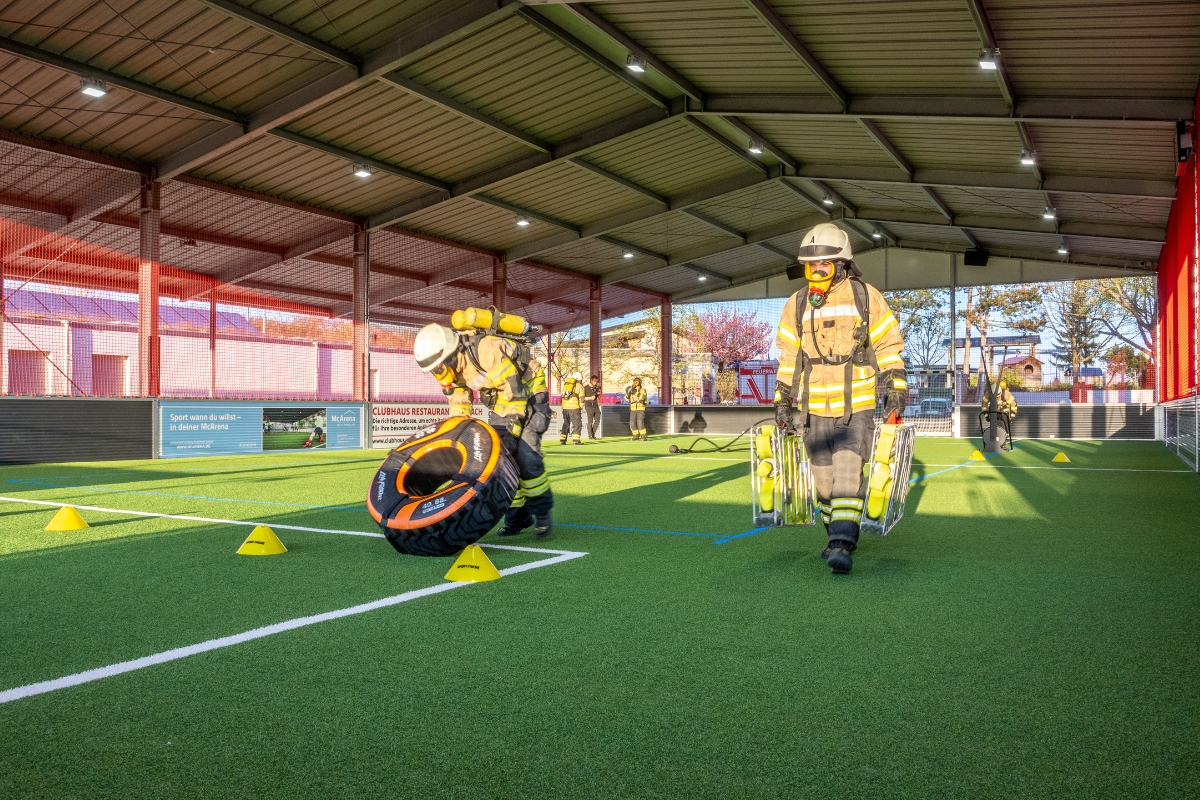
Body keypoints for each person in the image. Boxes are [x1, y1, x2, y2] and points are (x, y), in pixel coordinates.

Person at [772, 223, 906, 575]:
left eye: (824, 267)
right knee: (823, 480)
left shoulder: (866, 296)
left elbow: (888, 346)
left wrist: (896, 387)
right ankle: (835, 533)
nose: (816, 273)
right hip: (814, 408)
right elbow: (788, 358)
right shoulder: (796, 304)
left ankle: (842, 543)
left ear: (843, 264)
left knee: (848, 470)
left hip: (855, 405)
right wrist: (782, 400)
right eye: (810, 267)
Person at [413, 322, 553, 538]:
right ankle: (518, 518)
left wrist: (514, 430)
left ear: (449, 354)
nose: (438, 373)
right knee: (502, 461)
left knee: (526, 456)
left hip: (530, 395)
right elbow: (459, 402)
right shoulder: (453, 368)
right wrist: (457, 431)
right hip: (501, 403)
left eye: (438, 367)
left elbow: (514, 389)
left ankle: (542, 514)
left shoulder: (486, 349)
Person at [559, 372, 583, 445]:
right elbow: (582, 398)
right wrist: (580, 407)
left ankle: (562, 439)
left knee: (566, 423)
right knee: (577, 423)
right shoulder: (579, 386)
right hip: (574, 407)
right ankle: (576, 440)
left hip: (565, 408)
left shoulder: (566, 386)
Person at [583, 374, 602, 439]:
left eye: (596, 381)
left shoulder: (596, 388)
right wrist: (591, 398)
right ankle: (590, 435)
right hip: (589, 406)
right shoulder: (585, 388)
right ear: (591, 380)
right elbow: (582, 398)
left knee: (597, 420)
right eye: (594, 381)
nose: (595, 382)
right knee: (590, 421)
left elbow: (598, 397)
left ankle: (593, 434)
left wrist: (599, 394)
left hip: (596, 406)